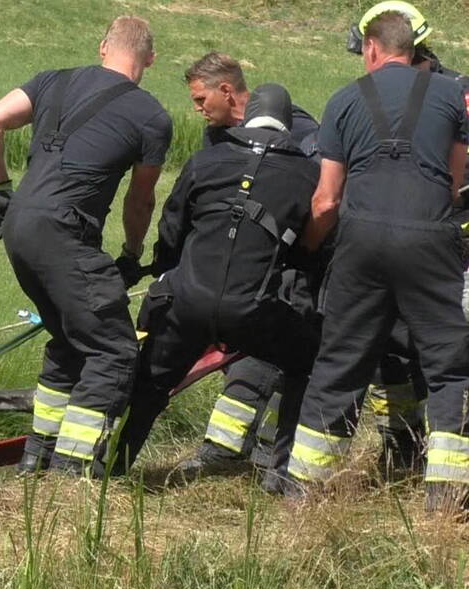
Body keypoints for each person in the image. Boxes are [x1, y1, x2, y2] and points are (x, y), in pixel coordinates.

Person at [281, 10, 469, 513]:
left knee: (341, 360)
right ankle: (446, 500)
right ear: (413, 48)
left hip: (361, 242)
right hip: (430, 237)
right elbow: (455, 184)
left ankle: (305, 493)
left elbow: (325, 201)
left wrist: (309, 248)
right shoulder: (453, 97)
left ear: (370, 48)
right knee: (449, 365)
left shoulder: (344, 100)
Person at [0, 15, 172, 477]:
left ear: (103, 47)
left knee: (70, 338)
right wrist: (129, 253)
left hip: (19, 228)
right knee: (114, 351)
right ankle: (71, 473)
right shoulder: (152, 117)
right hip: (65, 233)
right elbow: (140, 199)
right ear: (150, 59)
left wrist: (1, 187)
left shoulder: (52, 82)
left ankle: (35, 459)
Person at [112, 84, 321, 474]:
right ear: (289, 125)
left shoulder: (205, 161)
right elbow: (310, 248)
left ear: (248, 114)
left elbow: (172, 230)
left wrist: (168, 269)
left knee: (150, 388)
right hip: (253, 312)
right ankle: (277, 472)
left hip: (187, 302)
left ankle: (113, 470)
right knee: (309, 363)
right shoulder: (308, 175)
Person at [174, 53, 321, 479]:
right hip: (232, 268)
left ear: (227, 90)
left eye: (201, 99)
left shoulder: (301, 130)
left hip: (289, 262)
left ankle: (258, 453)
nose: (198, 110)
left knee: (275, 354)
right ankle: (231, 449)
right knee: (255, 352)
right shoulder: (216, 140)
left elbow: (316, 196)